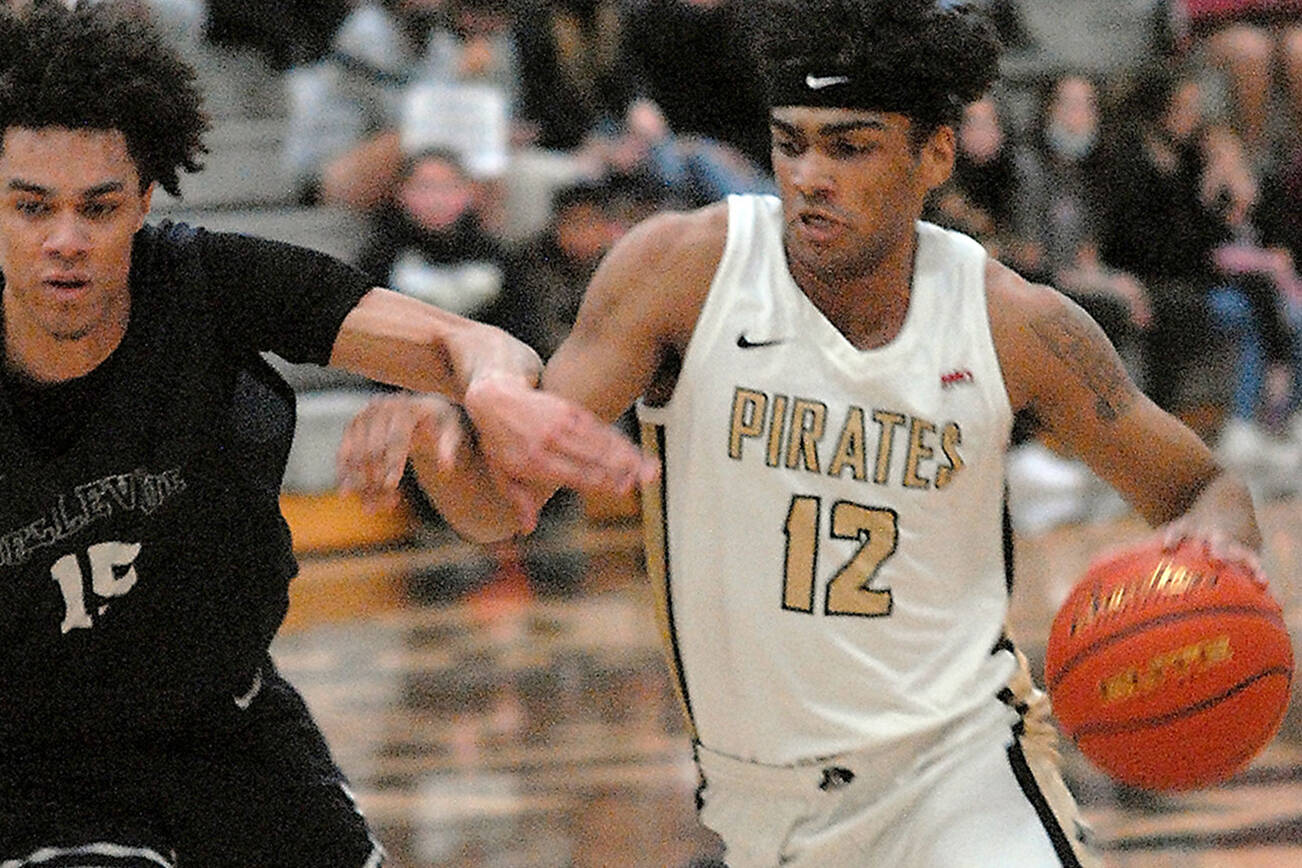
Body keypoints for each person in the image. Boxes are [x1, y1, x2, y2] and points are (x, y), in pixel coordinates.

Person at [340, 2, 1264, 865]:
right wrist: (434, 438)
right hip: (758, 805)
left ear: (936, 153)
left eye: (851, 147)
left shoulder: (1018, 323)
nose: (811, 176)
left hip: (963, 776)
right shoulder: (684, 271)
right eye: (791, 144)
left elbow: (1200, 487)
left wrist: (1217, 543)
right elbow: (504, 507)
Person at [0, 3, 651, 865]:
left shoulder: (209, 281)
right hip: (32, 770)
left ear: (147, 199)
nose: (66, 242)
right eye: (31, 207)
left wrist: (485, 392)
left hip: (226, 733)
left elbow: (470, 345)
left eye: (100, 206)